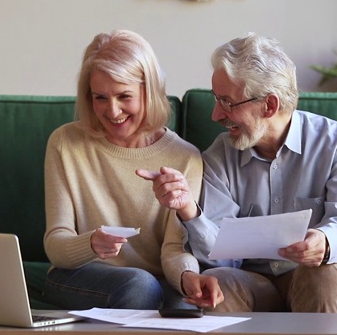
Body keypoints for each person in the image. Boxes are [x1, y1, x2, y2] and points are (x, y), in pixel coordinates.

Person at [137, 33, 337, 313]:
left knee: (321, 273)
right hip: (257, 281)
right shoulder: (219, 155)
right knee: (218, 282)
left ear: (269, 105)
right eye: (215, 99)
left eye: (227, 102)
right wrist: (190, 210)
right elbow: (221, 257)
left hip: (328, 273)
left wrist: (324, 241)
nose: (215, 115)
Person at [43, 29, 223, 310]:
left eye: (124, 96)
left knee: (185, 305)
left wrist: (189, 276)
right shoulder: (66, 143)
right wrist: (90, 244)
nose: (112, 111)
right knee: (140, 285)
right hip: (78, 277)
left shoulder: (185, 158)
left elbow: (174, 249)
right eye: (100, 97)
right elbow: (56, 243)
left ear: (148, 92)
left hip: (155, 283)